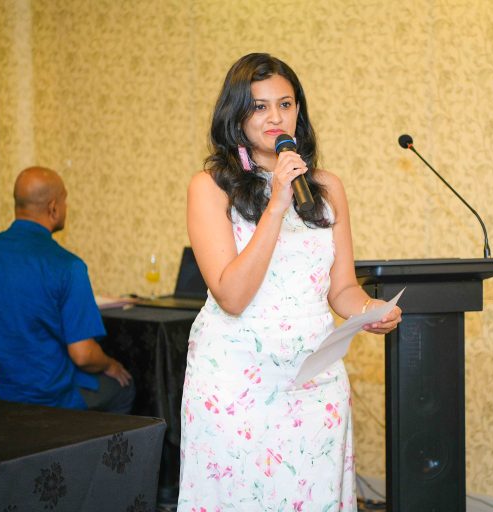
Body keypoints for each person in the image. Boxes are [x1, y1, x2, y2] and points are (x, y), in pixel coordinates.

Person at [180, 53, 402, 511]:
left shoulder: (326, 187)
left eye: (285, 104)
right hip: (235, 383)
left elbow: (342, 289)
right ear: (236, 115)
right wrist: (276, 204)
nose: (275, 117)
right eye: (259, 107)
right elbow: (232, 295)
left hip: (314, 380)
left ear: (298, 110)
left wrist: (370, 311)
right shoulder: (210, 187)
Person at [0, 166, 134, 413]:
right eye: (65, 200)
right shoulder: (67, 266)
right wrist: (110, 364)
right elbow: (83, 355)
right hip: (44, 398)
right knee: (123, 388)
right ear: (53, 208)